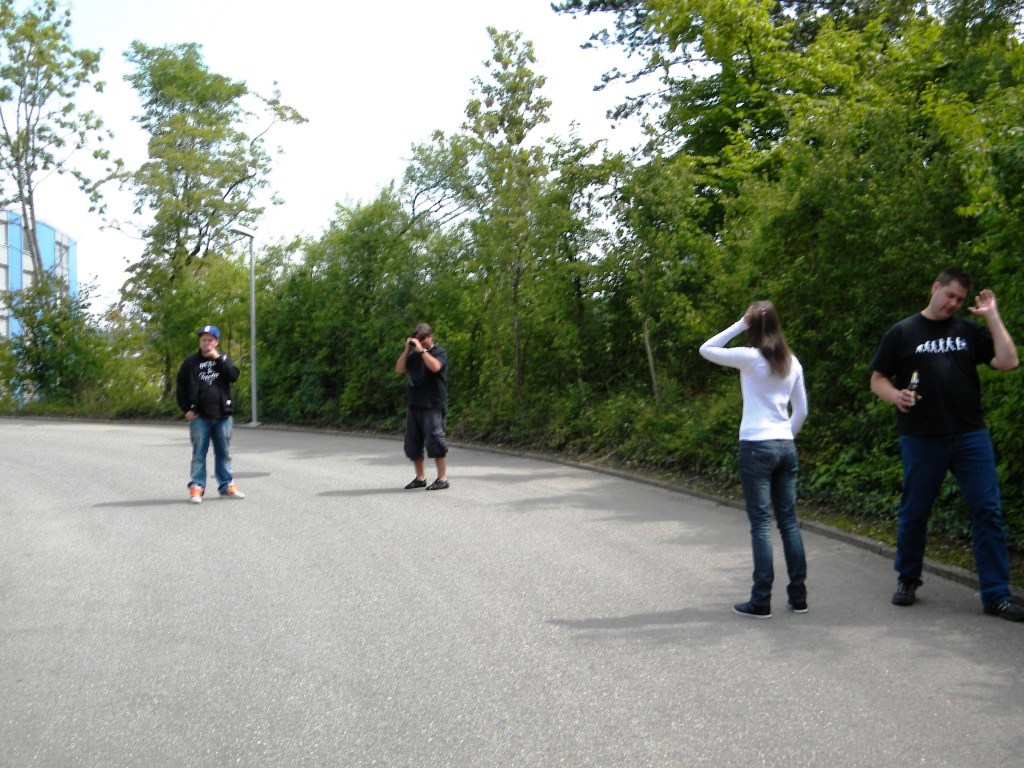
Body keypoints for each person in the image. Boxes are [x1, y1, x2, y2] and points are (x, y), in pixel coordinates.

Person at [870, 268, 1022, 621]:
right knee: (915, 512)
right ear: (935, 287)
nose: (953, 303)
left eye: (959, 300)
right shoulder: (902, 332)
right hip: (921, 437)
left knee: (987, 510)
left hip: (970, 436)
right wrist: (896, 396)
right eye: (949, 295)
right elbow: (877, 379)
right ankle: (908, 578)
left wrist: (993, 316)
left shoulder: (968, 331)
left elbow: (1009, 362)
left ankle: (997, 596)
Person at [700, 302, 809, 619]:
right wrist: (784, 436)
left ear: (753, 326)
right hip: (785, 446)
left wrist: (739, 325)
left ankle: (761, 600)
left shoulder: (750, 358)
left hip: (755, 447)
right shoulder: (793, 362)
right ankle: (798, 597)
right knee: (788, 522)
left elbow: (706, 348)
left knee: (761, 525)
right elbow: (800, 411)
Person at [175, 324, 246, 504]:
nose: (206, 343)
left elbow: (234, 376)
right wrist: (186, 410)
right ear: (200, 341)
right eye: (203, 340)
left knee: (223, 452)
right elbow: (181, 387)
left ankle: (226, 486)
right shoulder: (190, 363)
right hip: (200, 416)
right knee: (199, 453)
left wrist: (218, 359)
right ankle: (197, 488)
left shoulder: (223, 358)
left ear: (216, 342)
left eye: (210, 340)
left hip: (222, 415)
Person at [395, 323, 449, 491]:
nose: (421, 342)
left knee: (435, 442)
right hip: (414, 405)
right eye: (418, 339)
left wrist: (422, 351)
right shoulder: (413, 356)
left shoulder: (439, 353)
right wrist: (407, 350)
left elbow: (435, 367)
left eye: (424, 339)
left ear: (430, 337)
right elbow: (399, 369)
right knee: (413, 443)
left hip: (432, 405)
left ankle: (442, 479)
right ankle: (420, 478)